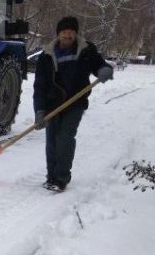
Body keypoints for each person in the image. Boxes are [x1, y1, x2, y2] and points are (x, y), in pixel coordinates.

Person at [33, 16, 113, 192]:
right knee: (51, 142)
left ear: (75, 33)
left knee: (65, 139)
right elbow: (39, 85)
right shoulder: (46, 55)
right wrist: (39, 110)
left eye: (70, 31)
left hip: (75, 101)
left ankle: (61, 178)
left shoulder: (86, 50)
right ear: (59, 33)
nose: (67, 35)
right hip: (52, 104)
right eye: (64, 31)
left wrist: (104, 70)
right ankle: (51, 176)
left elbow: (99, 65)